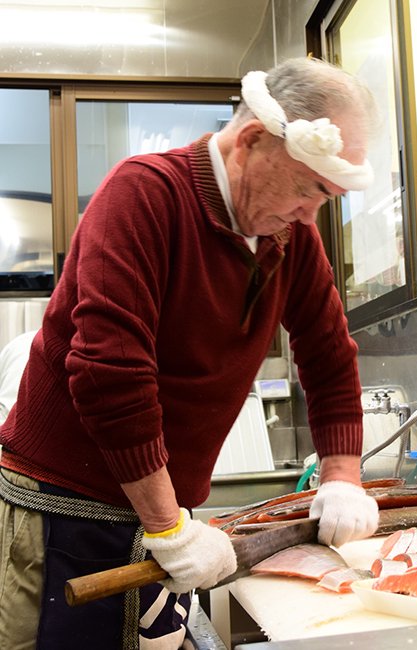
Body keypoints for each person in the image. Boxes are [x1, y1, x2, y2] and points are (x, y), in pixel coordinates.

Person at [0, 57, 380, 649]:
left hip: (157, 514)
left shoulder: (289, 236)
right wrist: (170, 526)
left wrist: (342, 477)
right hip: (61, 507)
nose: (312, 214)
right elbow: (110, 373)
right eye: (310, 188)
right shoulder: (143, 194)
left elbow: (329, 355)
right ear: (253, 141)